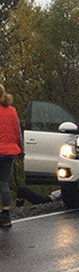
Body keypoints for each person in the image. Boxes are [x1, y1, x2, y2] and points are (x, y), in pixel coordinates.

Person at [0, 85, 23, 228]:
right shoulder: (12, 111)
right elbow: (18, 132)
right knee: (3, 183)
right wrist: (21, 150)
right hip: (9, 152)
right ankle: (6, 215)